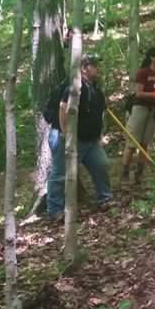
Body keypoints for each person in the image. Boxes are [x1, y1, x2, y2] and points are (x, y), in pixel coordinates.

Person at [44, 53, 113, 221]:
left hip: (90, 140)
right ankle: (55, 210)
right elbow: (63, 108)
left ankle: (105, 198)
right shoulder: (74, 88)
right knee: (60, 174)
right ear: (83, 68)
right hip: (68, 138)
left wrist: (99, 135)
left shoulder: (95, 89)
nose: (97, 68)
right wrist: (66, 134)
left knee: (101, 164)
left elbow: (99, 114)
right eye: (94, 65)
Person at [119, 46, 155, 185]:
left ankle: (139, 174)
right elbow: (138, 93)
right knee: (132, 142)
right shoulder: (143, 72)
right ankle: (124, 173)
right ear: (152, 57)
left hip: (152, 110)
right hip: (139, 108)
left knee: (144, 144)